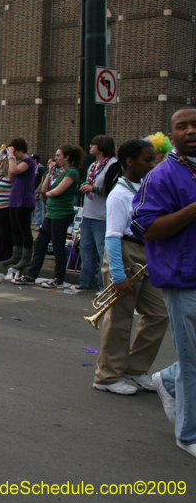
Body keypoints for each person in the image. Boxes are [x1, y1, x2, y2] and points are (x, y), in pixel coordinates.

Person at [133, 107, 196, 459]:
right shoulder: (162, 176)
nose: (190, 130)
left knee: (193, 359)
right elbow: (149, 228)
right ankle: (188, 434)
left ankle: (167, 380)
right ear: (171, 137)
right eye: (181, 126)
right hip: (183, 278)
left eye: (195, 124)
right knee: (193, 362)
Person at [92, 138, 168, 395]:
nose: (152, 164)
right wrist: (118, 275)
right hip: (125, 252)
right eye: (147, 160)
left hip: (147, 253)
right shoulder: (120, 194)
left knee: (159, 314)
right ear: (130, 162)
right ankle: (107, 375)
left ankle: (135, 368)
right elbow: (112, 237)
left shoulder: (147, 187)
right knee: (120, 319)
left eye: (153, 159)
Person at [19, 144, 84, 288]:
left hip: (61, 214)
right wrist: (50, 172)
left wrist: (46, 194)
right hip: (51, 213)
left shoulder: (72, 173)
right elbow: (44, 188)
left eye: (59, 156)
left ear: (67, 157)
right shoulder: (58, 172)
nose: (56, 159)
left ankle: (59, 278)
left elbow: (56, 192)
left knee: (58, 246)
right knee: (40, 243)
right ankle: (31, 274)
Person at [75, 135, 117, 292]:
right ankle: (86, 283)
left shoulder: (113, 165)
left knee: (102, 253)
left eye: (94, 144)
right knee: (86, 250)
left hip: (102, 216)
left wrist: (94, 189)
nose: (90, 146)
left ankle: (103, 285)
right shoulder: (93, 165)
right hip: (88, 214)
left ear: (102, 146)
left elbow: (113, 189)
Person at [2, 138, 36, 270]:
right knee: (15, 229)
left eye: (14, 151)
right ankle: (16, 254)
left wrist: (11, 158)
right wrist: (10, 160)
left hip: (24, 201)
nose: (13, 154)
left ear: (20, 150)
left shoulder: (28, 162)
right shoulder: (17, 162)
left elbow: (15, 171)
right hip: (14, 200)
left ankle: (27, 257)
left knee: (24, 230)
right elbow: (11, 176)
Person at [32, 154, 46, 227]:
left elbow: (43, 180)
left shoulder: (40, 168)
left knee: (39, 207)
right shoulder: (33, 168)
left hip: (37, 191)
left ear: (35, 160)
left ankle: (39, 224)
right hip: (32, 190)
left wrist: (39, 189)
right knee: (32, 208)